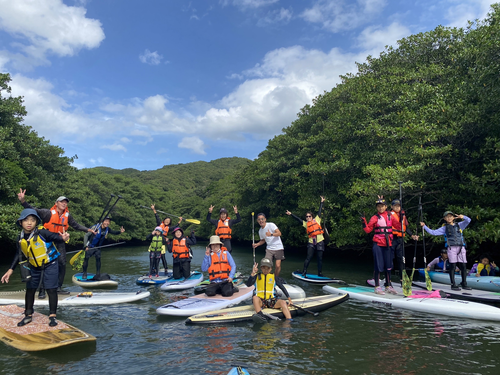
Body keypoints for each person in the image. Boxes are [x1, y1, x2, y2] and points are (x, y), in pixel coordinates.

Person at [18, 189, 96, 297]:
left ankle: (58, 287)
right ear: (56, 203)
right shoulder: (48, 213)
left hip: (60, 240)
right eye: (61, 202)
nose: (64, 203)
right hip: (46, 240)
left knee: (62, 264)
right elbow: (33, 210)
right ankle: (42, 290)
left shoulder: (67, 215)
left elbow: (76, 225)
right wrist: (23, 201)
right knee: (43, 264)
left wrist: (88, 230)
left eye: (65, 202)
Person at [1, 209, 70, 327]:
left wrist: (63, 238)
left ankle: (52, 316)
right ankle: (28, 314)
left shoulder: (43, 233)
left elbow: (56, 237)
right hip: (34, 265)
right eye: (26, 220)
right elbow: (19, 254)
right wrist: (10, 270)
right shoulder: (21, 236)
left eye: (32, 220)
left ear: (36, 222)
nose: (29, 223)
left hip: (50, 263)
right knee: (30, 289)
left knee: (51, 289)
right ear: (21, 222)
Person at [421, 211, 472, 291]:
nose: (449, 218)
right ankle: (453, 284)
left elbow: (468, 220)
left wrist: (462, 217)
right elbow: (433, 232)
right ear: (444, 218)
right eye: (447, 217)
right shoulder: (444, 228)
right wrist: (424, 226)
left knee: (463, 266)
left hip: (461, 247)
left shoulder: (459, 225)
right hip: (451, 248)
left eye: (450, 216)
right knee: (453, 265)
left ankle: (464, 283)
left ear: (453, 217)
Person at [361, 196, 397, 295]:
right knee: (378, 265)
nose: (380, 208)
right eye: (379, 206)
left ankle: (388, 285)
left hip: (388, 244)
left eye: (382, 206)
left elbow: (399, 225)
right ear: (377, 208)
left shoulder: (390, 216)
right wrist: (364, 222)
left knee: (388, 266)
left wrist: (401, 214)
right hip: (378, 244)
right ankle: (377, 286)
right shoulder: (375, 218)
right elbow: (368, 230)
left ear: (386, 207)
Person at [286, 196, 326, 276]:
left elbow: (319, 210)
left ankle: (320, 273)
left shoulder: (317, 220)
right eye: (307, 216)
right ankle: (304, 271)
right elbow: (298, 219)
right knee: (309, 257)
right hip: (311, 242)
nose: (308, 218)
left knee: (320, 259)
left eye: (309, 216)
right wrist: (291, 214)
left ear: (312, 216)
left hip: (320, 241)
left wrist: (322, 202)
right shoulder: (305, 224)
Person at [390, 199, 419, 279]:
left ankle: (402, 278)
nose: (397, 207)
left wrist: (412, 235)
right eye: (395, 206)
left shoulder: (403, 215)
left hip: (400, 239)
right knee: (390, 258)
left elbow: (405, 227)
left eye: (398, 206)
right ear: (392, 207)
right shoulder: (390, 215)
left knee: (401, 259)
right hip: (392, 238)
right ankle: (388, 279)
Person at [252, 213, 285, 277]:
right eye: (259, 219)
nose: (261, 221)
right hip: (269, 249)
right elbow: (263, 240)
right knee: (266, 265)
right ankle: (267, 278)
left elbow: (279, 233)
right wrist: (257, 244)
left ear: (265, 219)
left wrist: (271, 234)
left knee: (277, 266)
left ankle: (276, 278)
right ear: (257, 221)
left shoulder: (271, 225)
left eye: (262, 219)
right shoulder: (260, 231)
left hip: (278, 247)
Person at [151, 204, 182, 272]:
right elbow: (157, 217)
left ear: (169, 222)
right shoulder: (160, 224)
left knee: (162, 256)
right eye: (166, 220)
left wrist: (179, 221)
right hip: (156, 242)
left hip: (162, 243)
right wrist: (154, 209)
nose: (167, 221)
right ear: (164, 220)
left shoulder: (168, 228)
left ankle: (166, 268)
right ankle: (154, 268)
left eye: (168, 221)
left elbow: (175, 227)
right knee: (154, 256)